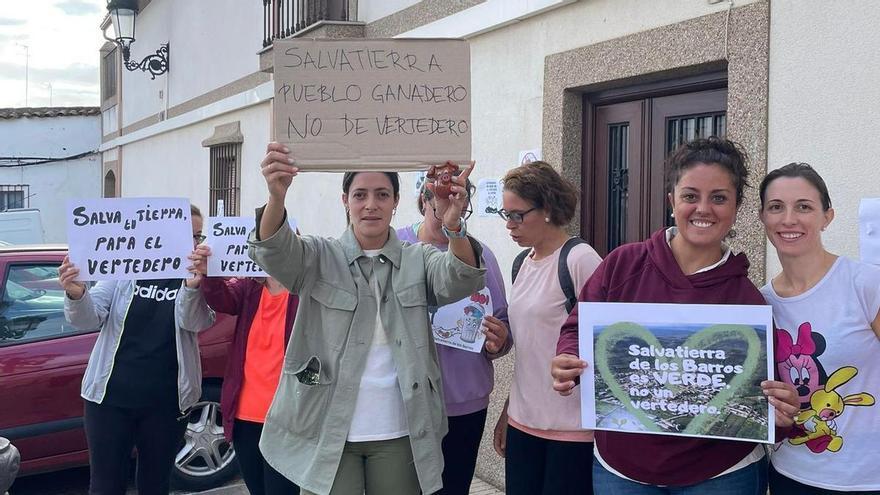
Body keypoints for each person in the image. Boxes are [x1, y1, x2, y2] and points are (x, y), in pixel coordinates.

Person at [551, 137, 801, 494]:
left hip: (722, 473)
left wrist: (779, 413)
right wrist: (567, 360)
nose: (703, 208)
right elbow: (576, 329)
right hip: (621, 469)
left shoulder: (748, 300)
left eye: (719, 197)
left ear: (736, 207)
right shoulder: (622, 264)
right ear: (672, 202)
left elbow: (763, 394)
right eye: (690, 196)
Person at [248, 143, 486, 495]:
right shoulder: (318, 255)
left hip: (399, 430)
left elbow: (460, 276)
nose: (370, 204)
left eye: (381, 194)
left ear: (395, 201)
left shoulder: (418, 259)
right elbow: (274, 250)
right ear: (345, 200)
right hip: (327, 430)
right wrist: (276, 195)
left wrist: (453, 225)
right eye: (360, 194)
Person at [60, 204, 215, 495]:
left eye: (198, 236)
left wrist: (193, 287)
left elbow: (194, 322)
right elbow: (86, 319)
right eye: (187, 235)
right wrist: (76, 292)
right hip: (108, 401)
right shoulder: (124, 270)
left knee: (155, 485)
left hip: (168, 404)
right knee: (105, 485)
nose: (194, 244)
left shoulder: (198, 279)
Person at [758, 163, 880, 494]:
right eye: (776, 207)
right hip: (790, 477)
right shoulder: (759, 303)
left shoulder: (866, 283)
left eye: (804, 207)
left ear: (828, 216)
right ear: (762, 218)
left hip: (868, 480)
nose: (788, 219)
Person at [491, 161, 603, 495]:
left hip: (572, 430)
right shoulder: (521, 264)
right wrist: (508, 411)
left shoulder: (580, 260)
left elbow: (606, 342)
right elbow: (531, 353)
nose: (509, 225)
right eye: (505, 214)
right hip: (524, 424)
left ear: (549, 209)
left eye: (517, 215)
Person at [396, 177, 511, 495]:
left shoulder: (481, 255)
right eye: (441, 201)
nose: (449, 211)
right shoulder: (396, 247)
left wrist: (498, 340)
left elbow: (502, 325)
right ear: (423, 200)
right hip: (403, 401)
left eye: (457, 202)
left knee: (453, 489)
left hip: (464, 403)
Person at [187, 244, 301, 495]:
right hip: (245, 416)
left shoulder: (303, 293)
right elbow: (221, 299)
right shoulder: (250, 286)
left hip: (285, 418)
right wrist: (210, 273)